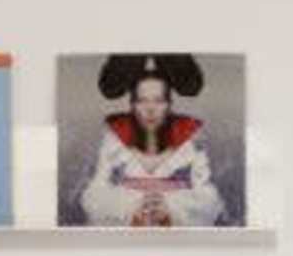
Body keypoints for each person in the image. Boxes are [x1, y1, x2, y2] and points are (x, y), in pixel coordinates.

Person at [75, 54, 225, 226]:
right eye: (141, 101)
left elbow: (208, 199)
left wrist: (170, 210)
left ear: (169, 105)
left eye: (159, 101)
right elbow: (94, 195)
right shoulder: (113, 142)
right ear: (132, 105)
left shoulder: (190, 145)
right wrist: (130, 209)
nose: (150, 109)